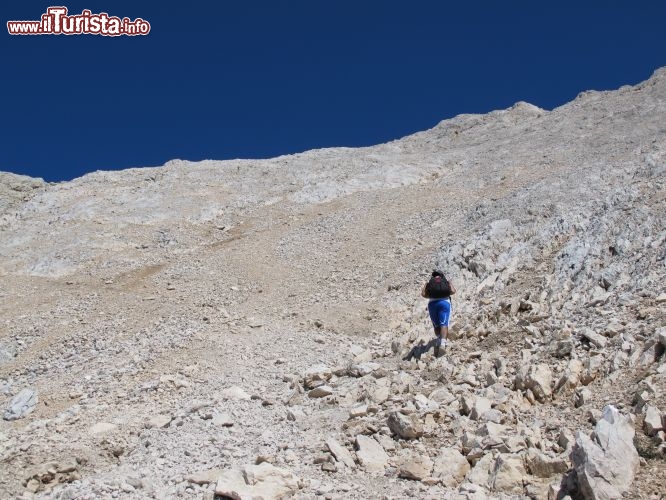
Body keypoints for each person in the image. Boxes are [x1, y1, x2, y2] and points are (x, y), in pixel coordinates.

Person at [421, 270, 456, 358]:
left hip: (432, 304)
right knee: (444, 323)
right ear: (442, 276)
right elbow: (453, 291)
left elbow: (423, 294)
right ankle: (443, 344)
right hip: (444, 303)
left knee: (436, 325)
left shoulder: (431, 283)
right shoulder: (445, 282)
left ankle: (438, 340)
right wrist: (450, 283)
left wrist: (425, 284)